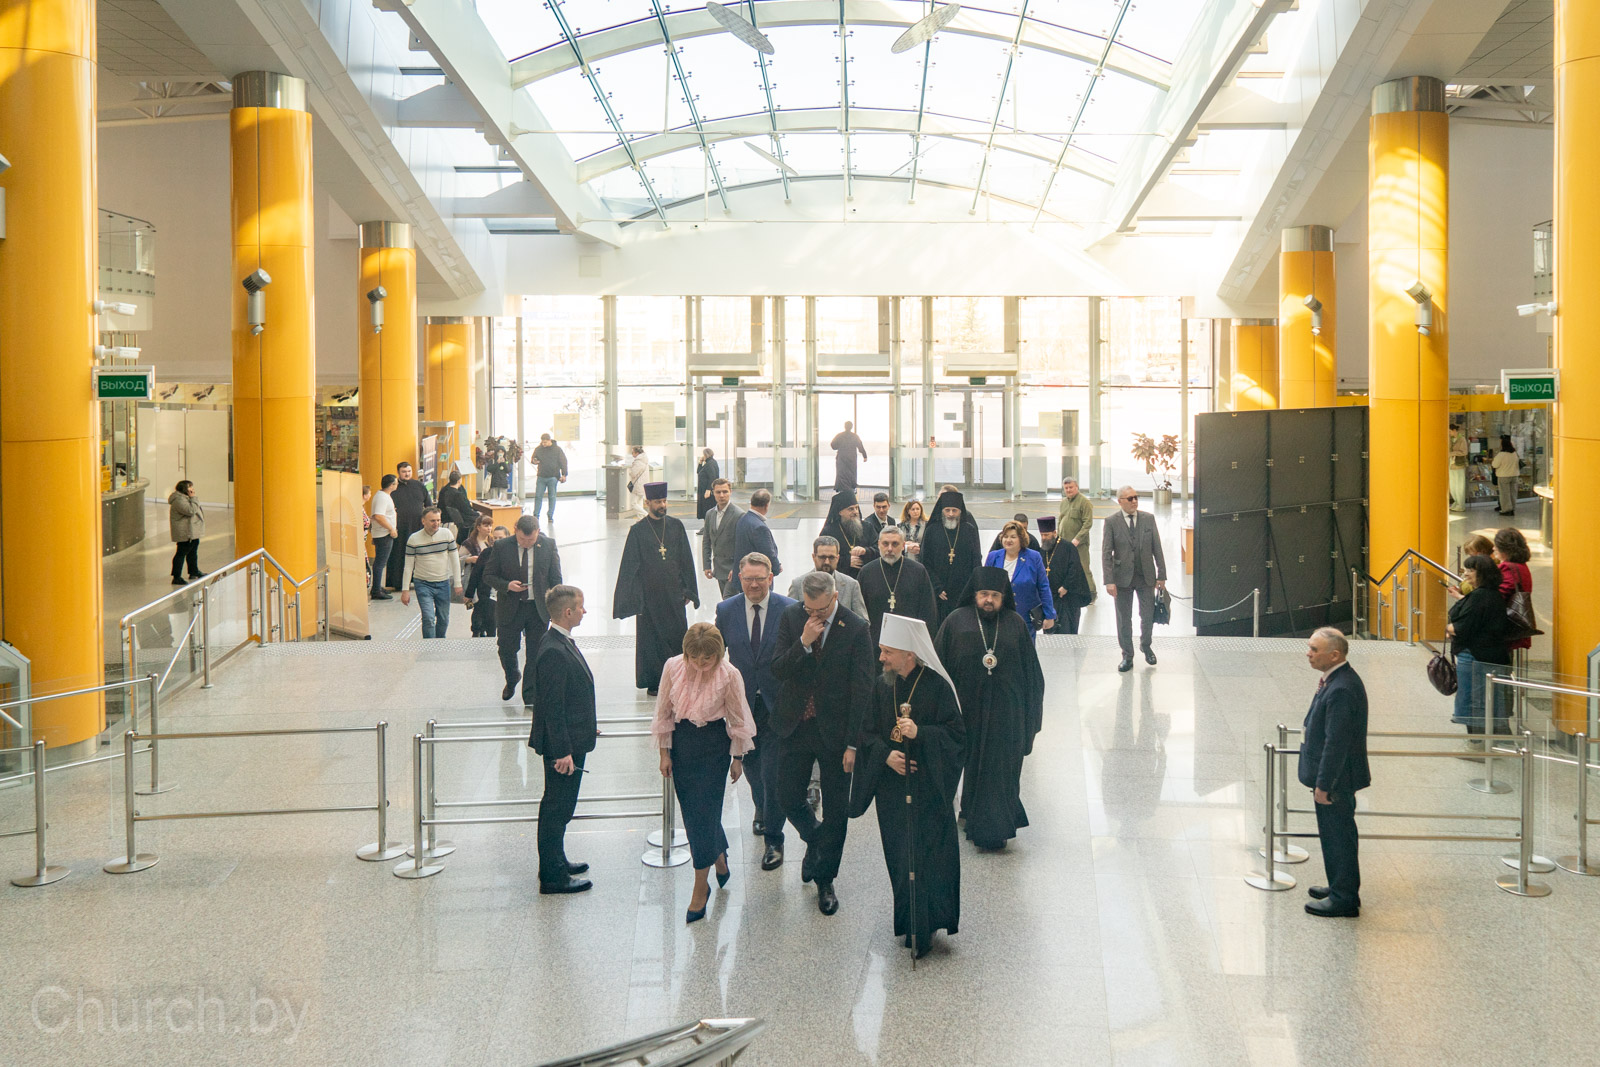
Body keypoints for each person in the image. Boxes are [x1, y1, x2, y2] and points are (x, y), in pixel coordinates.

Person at [853, 614, 964, 959]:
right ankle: (910, 922)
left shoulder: (937, 687)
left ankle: (927, 924)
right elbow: (866, 732)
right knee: (901, 858)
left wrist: (922, 734)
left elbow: (956, 737)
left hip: (929, 791)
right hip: (891, 792)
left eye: (888, 652)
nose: (881, 658)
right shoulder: (881, 686)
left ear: (909, 654)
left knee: (929, 858)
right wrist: (886, 756)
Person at [771, 571, 875, 915]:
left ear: (834, 598)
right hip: (796, 725)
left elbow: (863, 689)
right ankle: (816, 839)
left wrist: (853, 744)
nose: (813, 614)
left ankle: (826, 878)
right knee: (787, 795)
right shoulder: (791, 617)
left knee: (836, 810)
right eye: (808, 608)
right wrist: (803, 642)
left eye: (820, 609)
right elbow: (778, 669)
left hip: (836, 733)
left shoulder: (856, 628)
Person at [936, 567, 1045, 851]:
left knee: (1001, 771)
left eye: (995, 595)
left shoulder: (1016, 624)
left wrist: (1030, 720)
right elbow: (937, 671)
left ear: (1003, 597)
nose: (988, 600)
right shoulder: (955, 621)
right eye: (984, 594)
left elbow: (1033, 676)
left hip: (1007, 717)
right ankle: (968, 812)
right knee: (970, 768)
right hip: (965, 714)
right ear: (974, 594)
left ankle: (997, 828)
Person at [654, 623, 757, 923]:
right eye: (694, 657)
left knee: (705, 812)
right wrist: (664, 753)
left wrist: (737, 757)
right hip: (683, 742)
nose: (700, 664)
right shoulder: (673, 667)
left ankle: (701, 887)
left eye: (707, 659)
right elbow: (663, 712)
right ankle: (718, 854)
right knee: (694, 813)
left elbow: (737, 718)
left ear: (718, 654)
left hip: (714, 745)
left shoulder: (729, 675)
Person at [717, 552, 796, 869]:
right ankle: (761, 807)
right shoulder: (726, 610)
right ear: (739, 578)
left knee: (773, 773)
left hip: (778, 704)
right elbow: (715, 655)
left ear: (770, 579)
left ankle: (774, 839)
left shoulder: (789, 609)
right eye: (748, 579)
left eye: (759, 579)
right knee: (752, 767)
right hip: (742, 706)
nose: (753, 585)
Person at [1298, 627, 1370, 918]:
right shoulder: (1336, 680)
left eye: (1314, 649)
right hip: (1336, 777)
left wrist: (1324, 784)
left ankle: (1344, 898)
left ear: (1334, 655)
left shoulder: (1341, 689)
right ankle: (1340, 885)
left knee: (1338, 836)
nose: (1308, 653)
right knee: (1335, 835)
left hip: (1337, 779)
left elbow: (1336, 743)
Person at [529, 584, 597, 895]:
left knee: (561, 807)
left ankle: (557, 860)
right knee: (557, 809)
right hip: (563, 748)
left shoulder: (559, 641)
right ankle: (552, 876)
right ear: (568, 612)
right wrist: (562, 752)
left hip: (572, 737)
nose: (585, 611)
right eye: (581, 607)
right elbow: (552, 707)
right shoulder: (554, 651)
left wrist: (586, 726)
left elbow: (570, 696)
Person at [614, 482, 699, 695]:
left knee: (677, 637)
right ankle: (654, 681)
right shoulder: (638, 531)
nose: (663, 505)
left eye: (664, 501)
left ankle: (679, 678)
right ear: (647, 503)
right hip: (649, 598)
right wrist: (634, 599)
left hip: (674, 594)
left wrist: (688, 590)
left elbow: (686, 559)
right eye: (658, 502)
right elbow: (629, 567)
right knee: (651, 642)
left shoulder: (676, 526)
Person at [483, 514, 563, 700]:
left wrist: (556, 609)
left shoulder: (548, 545)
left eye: (531, 540)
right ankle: (512, 677)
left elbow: (556, 579)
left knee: (535, 653)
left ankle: (530, 695)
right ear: (515, 531)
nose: (526, 544)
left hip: (537, 608)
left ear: (538, 532)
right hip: (510, 606)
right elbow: (488, 575)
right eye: (522, 539)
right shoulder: (502, 546)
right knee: (506, 649)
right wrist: (507, 585)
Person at [1447, 554, 1512, 746]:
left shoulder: (1480, 596)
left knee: (1474, 702)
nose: (1466, 574)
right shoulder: (1491, 594)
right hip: (1488, 654)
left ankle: (1477, 744)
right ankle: (1485, 743)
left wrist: (1449, 628)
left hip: (1475, 656)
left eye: (1470, 570)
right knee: (1485, 700)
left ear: (1483, 573)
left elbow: (1462, 628)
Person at [1102, 486, 1166, 671]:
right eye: (1130, 498)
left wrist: (1161, 574)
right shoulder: (1111, 522)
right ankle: (1127, 655)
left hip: (1146, 576)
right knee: (1124, 618)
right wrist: (1109, 580)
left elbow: (1157, 547)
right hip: (1122, 578)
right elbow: (1106, 553)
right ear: (1120, 501)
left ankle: (1146, 645)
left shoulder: (1148, 519)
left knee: (1147, 615)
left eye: (1136, 497)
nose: (1134, 501)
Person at [858, 525, 939, 647]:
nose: (890, 549)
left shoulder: (918, 571)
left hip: (909, 642)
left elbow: (928, 612)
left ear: (903, 545)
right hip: (875, 642)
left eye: (895, 544)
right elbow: (860, 612)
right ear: (879, 544)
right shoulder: (866, 572)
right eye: (885, 544)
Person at [984, 521, 1056, 640]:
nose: (1008, 540)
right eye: (1005, 536)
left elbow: (1043, 587)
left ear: (1021, 539)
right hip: (998, 617)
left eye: (1013, 537)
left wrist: (1049, 615)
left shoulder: (1034, 557)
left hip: (1025, 619)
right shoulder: (993, 556)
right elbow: (985, 585)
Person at [400, 506, 463, 638]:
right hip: (423, 584)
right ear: (423, 521)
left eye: (438, 520)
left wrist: (458, 583)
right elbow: (408, 566)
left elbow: (455, 560)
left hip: (443, 582)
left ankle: (439, 642)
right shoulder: (414, 539)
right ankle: (429, 646)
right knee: (428, 618)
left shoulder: (447, 534)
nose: (436, 523)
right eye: (432, 520)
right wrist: (405, 590)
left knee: (444, 618)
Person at [924, 490, 982, 626]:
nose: (950, 514)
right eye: (947, 510)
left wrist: (970, 588)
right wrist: (937, 587)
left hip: (963, 591)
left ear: (960, 511)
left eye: (954, 510)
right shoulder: (932, 530)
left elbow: (976, 561)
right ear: (942, 511)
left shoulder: (969, 530)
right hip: (938, 593)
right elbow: (925, 561)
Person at [787, 536, 868, 620]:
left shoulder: (851, 585)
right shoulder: (797, 585)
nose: (827, 562)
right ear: (814, 557)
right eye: (822, 557)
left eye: (831, 557)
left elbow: (863, 622)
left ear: (837, 558)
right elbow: (788, 619)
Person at [1038, 516, 1092, 634]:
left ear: (1054, 533)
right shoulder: (1042, 550)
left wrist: (1066, 586)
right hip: (1050, 598)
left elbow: (1075, 569)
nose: (1044, 538)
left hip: (1067, 598)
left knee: (1067, 630)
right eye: (1042, 535)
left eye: (1046, 535)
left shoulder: (1068, 547)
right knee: (1050, 632)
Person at [386, 461, 432, 589]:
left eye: (409, 471)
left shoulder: (419, 486)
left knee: (419, 554)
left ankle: (420, 580)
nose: (407, 474)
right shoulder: (393, 488)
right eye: (404, 472)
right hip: (399, 527)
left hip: (418, 527)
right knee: (399, 554)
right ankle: (397, 582)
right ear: (398, 472)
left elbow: (428, 505)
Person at [1494, 526, 1535, 663]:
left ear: (1505, 549)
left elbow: (1498, 595)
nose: (1493, 549)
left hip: (1504, 625)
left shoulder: (1507, 567)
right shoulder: (1521, 566)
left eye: (1496, 546)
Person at [700, 478, 744, 598]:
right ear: (713, 493)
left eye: (725, 492)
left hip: (732, 569)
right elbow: (706, 540)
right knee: (726, 600)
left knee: (728, 600)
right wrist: (706, 565)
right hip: (719, 567)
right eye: (718, 492)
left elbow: (742, 545)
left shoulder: (738, 515)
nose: (722, 495)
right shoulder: (710, 514)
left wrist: (737, 568)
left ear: (730, 492)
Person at [1057, 477, 1096, 602]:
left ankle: (1092, 594)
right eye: (1066, 488)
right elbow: (1060, 520)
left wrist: (1077, 539)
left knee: (1084, 568)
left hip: (1079, 545)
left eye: (1071, 487)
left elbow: (1088, 523)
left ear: (1077, 487)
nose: (1068, 490)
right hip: (1065, 544)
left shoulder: (1084, 502)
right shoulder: (1063, 503)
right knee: (1066, 568)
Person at [460, 514, 499, 638]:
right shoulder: (469, 543)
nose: (489, 528)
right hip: (474, 578)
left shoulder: (491, 542)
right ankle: (477, 629)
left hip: (487, 581)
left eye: (490, 526)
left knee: (487, 609)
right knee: (478, 607)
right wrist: (469, 559)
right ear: (478, 527)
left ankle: (483, 628)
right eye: (486, 525)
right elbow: (458, 560)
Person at [734, 488, 782, 587]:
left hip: (745, 576)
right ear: (766, 505)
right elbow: (768, 553)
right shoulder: (759, 527)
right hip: (757, 579)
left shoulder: (743, 520)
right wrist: (777, 568)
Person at [820, 490, 873, 579]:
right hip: (839, 578)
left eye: (856, 508)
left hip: (865, 576)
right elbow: (822, 556)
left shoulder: (867, 527)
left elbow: (879, 548)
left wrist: (866, 551)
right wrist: (847, 561)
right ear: (840, 512)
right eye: (851, 509)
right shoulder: (828, 532)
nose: (855, 512)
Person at [168, 479, 205, 585]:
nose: (192, 489)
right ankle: (176, 576)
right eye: (190, 487)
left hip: (192, 532)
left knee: (193, 552)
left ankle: (194, 571)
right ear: (184, 489)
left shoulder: (185, 498)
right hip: (185, 532)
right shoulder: (179, 500)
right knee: (181, 553)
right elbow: (191, 510)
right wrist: (193, 498)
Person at [369, 474, 398, 600]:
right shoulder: (382, 497)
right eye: (396, 483)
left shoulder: (383, 496)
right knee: (380, 562)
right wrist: (391, 529)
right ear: (391, 485)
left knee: (380, 562)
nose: (397, 485)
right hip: (384, 534)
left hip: (381, 533)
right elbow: (378, 516)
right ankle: (376, 590)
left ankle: (377, 586)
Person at [532, 433, 568, 525]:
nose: (543, 444)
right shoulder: (538, 449)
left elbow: (563, 462)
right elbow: (533, 458)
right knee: (538, 496)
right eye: (542, 442)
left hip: (553, 476)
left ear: (549, 440)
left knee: (552, 497)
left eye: (545, 442)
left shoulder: (557, 449)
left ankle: (550, 515)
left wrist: (564, 474)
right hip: (541, 476)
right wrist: (534, 461)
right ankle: (536, 515)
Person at [831, 421, 868, 493]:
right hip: (852, 457)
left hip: (841, 457)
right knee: (852, 473)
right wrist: (864, 456)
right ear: (852, 427)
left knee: (841, 472)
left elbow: (833, 445)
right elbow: (860, 446)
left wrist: (840, 446)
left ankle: (841, 488)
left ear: (844, 426)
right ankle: (852, 488)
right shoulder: (855, 436)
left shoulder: (839, 435)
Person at [1492, 435, 1520, 515]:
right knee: (1513, 493)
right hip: (1514, 475)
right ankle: (1513, 508)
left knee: (1504, 494)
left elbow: (1494, 465)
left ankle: (1506, 510)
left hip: (1503, 476)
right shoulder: (1514, 453)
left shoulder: (1501, 454)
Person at [1449, 424, 1470, 513]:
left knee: (1459, 485)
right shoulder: (1450, 439)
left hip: (1458, 464)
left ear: (1454, 430)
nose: (1449, 433)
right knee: (1452, 485)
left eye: (1450, 431)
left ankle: (1461, 504)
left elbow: (1464, 452)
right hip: (1451, 464)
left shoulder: (1462, 439)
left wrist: (1452, 453)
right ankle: (1456, 502)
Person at [695, 447, 720, 519]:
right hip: (704, 489)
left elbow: (712, 477)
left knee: (707, 508)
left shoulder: (710, 464)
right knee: (705, 509)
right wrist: (700, 462)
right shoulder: (709, 463)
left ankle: (708, 524)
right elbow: (699, 472)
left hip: (706, 490)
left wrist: (708, 490)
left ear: (706, 455)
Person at [626, 445, 650, 518]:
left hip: (638, 484)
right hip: (643, 484)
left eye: (633, 452)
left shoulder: (638, 462)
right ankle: (641, 519)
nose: (632, 454)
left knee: (633, 504)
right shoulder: (644, 460)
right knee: (639, 502)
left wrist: (630, 471)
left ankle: (646, 515)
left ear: (637, 453)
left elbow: (633, 473)